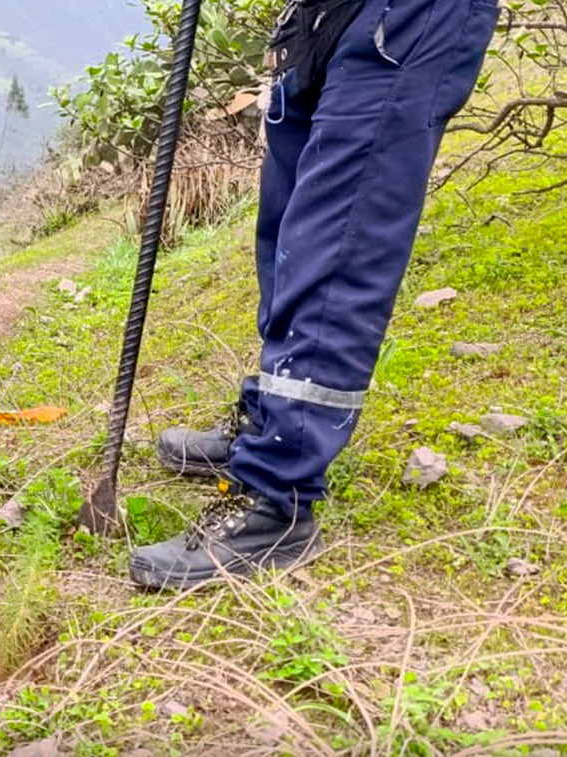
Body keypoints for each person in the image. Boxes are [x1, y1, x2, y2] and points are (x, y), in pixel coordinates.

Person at [129, 0, 499, 590]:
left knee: (338, 238)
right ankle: (270, 421)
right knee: (289, 225)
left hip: (406, 14)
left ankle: (276, 492)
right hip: (322, 12)